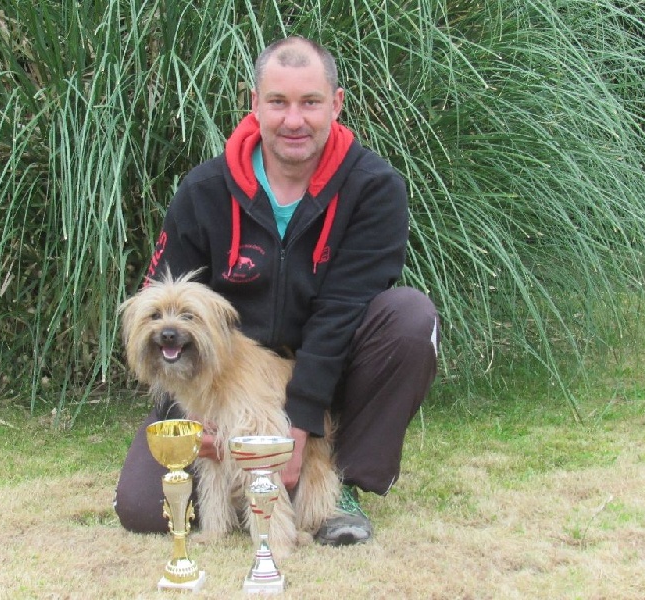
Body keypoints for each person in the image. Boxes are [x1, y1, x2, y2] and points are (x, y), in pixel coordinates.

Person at [114, 36, 439, 546]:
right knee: (143, 509)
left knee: (409, 318)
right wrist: (189, 415)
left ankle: (341, 481)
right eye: (278, 102)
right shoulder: (203, 190)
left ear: (336, 103)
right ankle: (247, 484)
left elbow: (342, 311)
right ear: (254, 104)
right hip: (220, 383)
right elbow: (160, 310)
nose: (294, 120)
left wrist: (300, 422)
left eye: (310, 102)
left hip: (327, 379)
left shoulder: (375, 189)